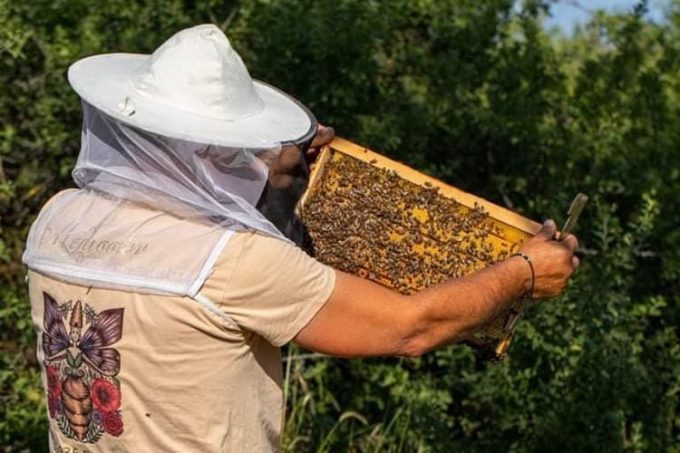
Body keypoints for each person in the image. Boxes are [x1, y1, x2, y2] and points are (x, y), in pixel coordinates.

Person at [23, 24, 579, 452]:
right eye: (239, 148)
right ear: (215, 151)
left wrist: (286, 174)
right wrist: (523, 271)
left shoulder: (56, 221)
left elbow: (186, 212)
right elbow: (412, 328)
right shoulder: (233, 264)